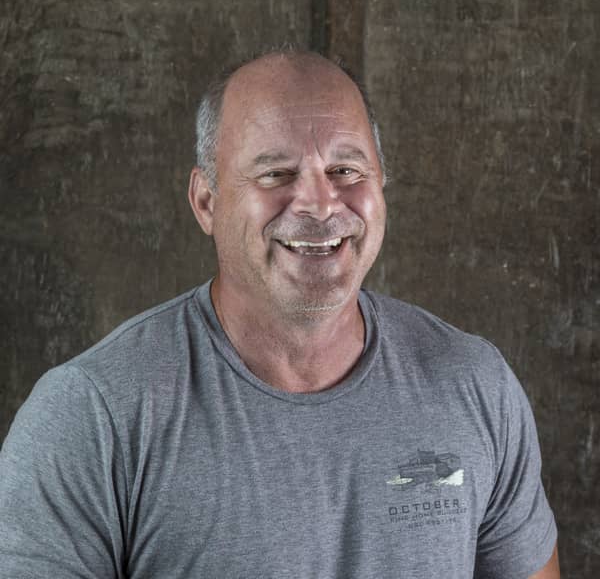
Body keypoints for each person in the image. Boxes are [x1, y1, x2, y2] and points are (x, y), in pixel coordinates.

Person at [0, 48, 559, 578]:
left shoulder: (475, 385)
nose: (320, 203)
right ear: (207, 202)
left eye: (346, 170)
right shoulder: (90, 417)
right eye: (275, 174)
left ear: (380, 185)